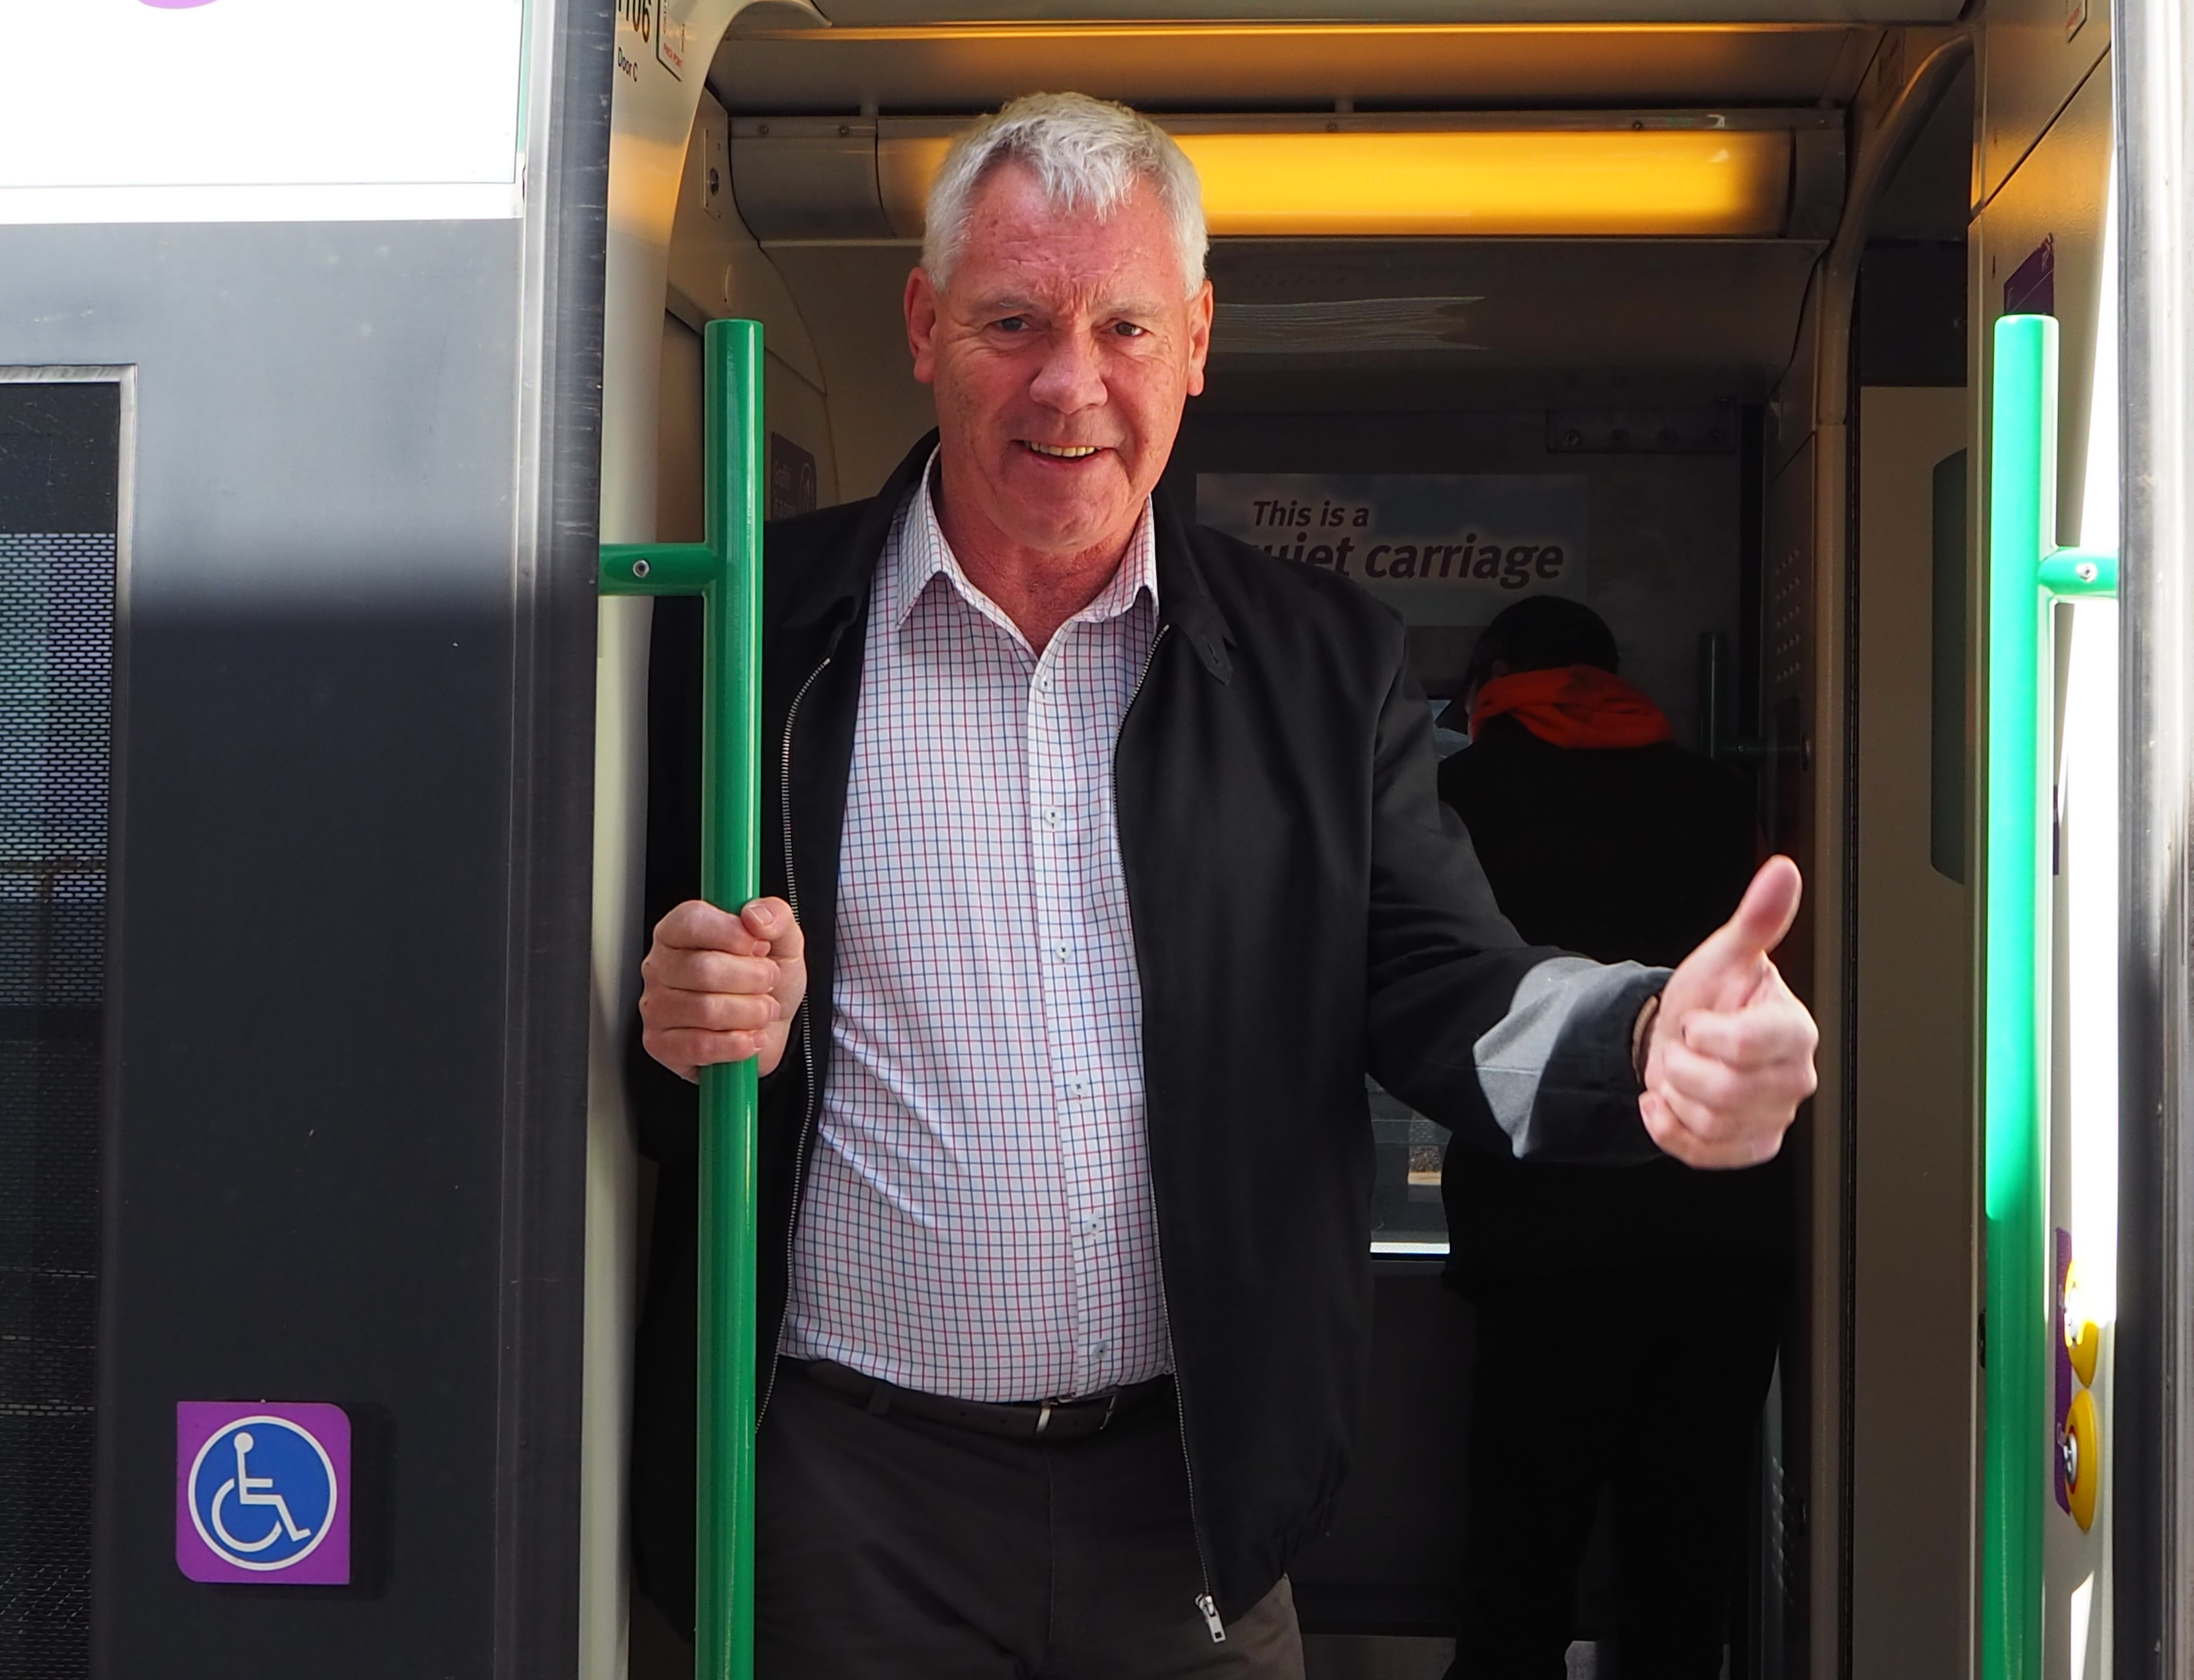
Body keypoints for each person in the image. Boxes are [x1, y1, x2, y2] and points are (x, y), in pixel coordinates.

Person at [628, 92, 1818, 1680]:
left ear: (1194, 338)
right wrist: (679, 1008)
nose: (1071, 383)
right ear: (920, 325)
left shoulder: (1321, 668)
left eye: (1122, 323)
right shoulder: (749, 641)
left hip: (1185, 1502)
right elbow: (613, 1047)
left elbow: (1448, 981)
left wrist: (1641, 1041)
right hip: (848, 1503)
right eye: (1010, 320)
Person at [1435, 596, 1791, 1680]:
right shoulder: (1717, 794)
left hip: (1547, 1248)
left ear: (1495, 677)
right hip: (1721, 1241)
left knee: (1519, 1578)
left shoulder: (1462, 793)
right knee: (1683, 1589)